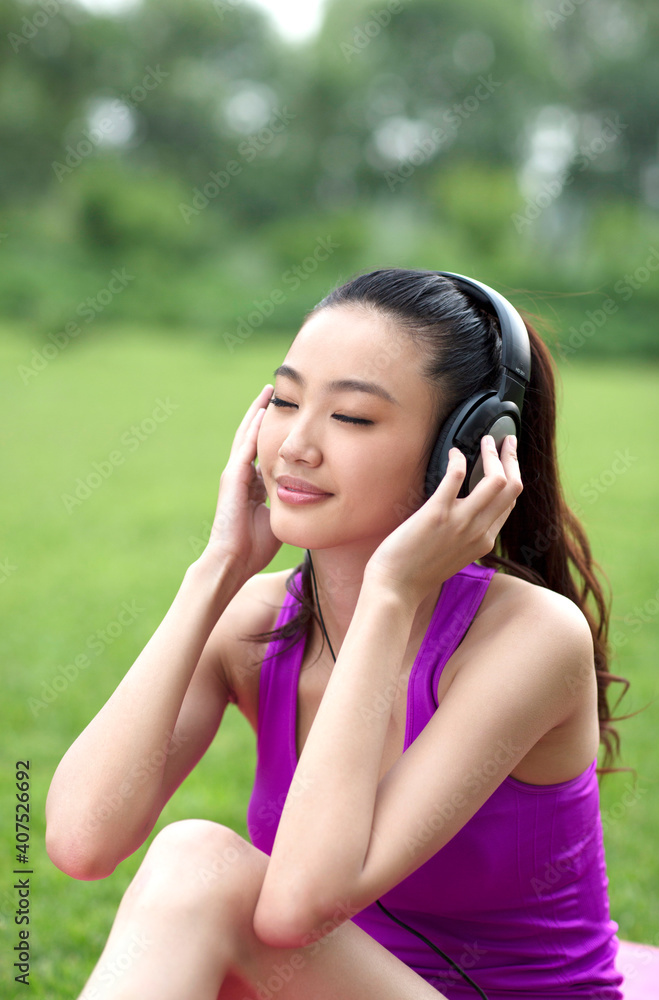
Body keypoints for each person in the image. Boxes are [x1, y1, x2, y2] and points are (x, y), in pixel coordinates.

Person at [46, 268, 626, 1000]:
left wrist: (389, 596)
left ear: (470, 445)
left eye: (350, 417)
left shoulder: (530, 639)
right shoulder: (258, 624)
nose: (294, 444)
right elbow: (81, 839)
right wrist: (215, 571)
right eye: (284, 401)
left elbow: (296, 908)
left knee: (201, 864)